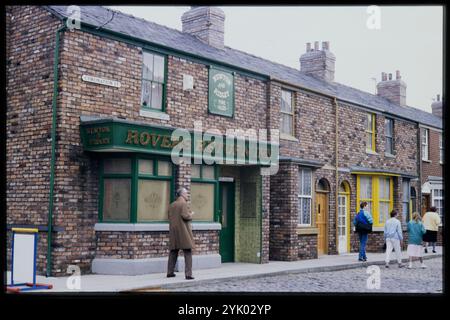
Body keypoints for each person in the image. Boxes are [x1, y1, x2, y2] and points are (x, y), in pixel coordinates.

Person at [167, 187, 195, 280]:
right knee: (188, 252)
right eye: (186, 193)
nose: (187, 195)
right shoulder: (183, 204)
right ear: (182, 194)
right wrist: (191, 215)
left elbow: (169, 217)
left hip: (174, 232)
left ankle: (170, 272)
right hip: (183, 232)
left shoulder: (172, 205)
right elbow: (185, 216)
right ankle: (188, 274)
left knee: (173, 251)